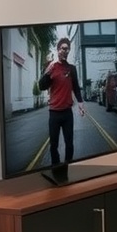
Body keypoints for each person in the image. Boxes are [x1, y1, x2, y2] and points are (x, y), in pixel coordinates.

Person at [38, 37, 85, 166]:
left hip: (67, 113)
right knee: (54, 145)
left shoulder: (72, 69)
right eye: (63, 48)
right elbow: (41, 86)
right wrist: (47, 72)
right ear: (58, 50)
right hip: (54, 113)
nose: (66, 51)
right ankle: (56, 169)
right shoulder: (51, 67)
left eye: (67, 49)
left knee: (69, 143)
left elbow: (76, 87)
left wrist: (80, 104)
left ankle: (67, 166)